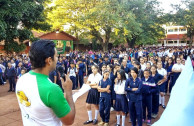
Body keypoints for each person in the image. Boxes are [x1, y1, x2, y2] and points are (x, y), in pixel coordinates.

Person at [16, 40, 75, 126]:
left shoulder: (21, 79)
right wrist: (69, 92)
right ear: (49, 60)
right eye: (56, 56)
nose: (57, 59)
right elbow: (69, 120)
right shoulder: (51, 88)